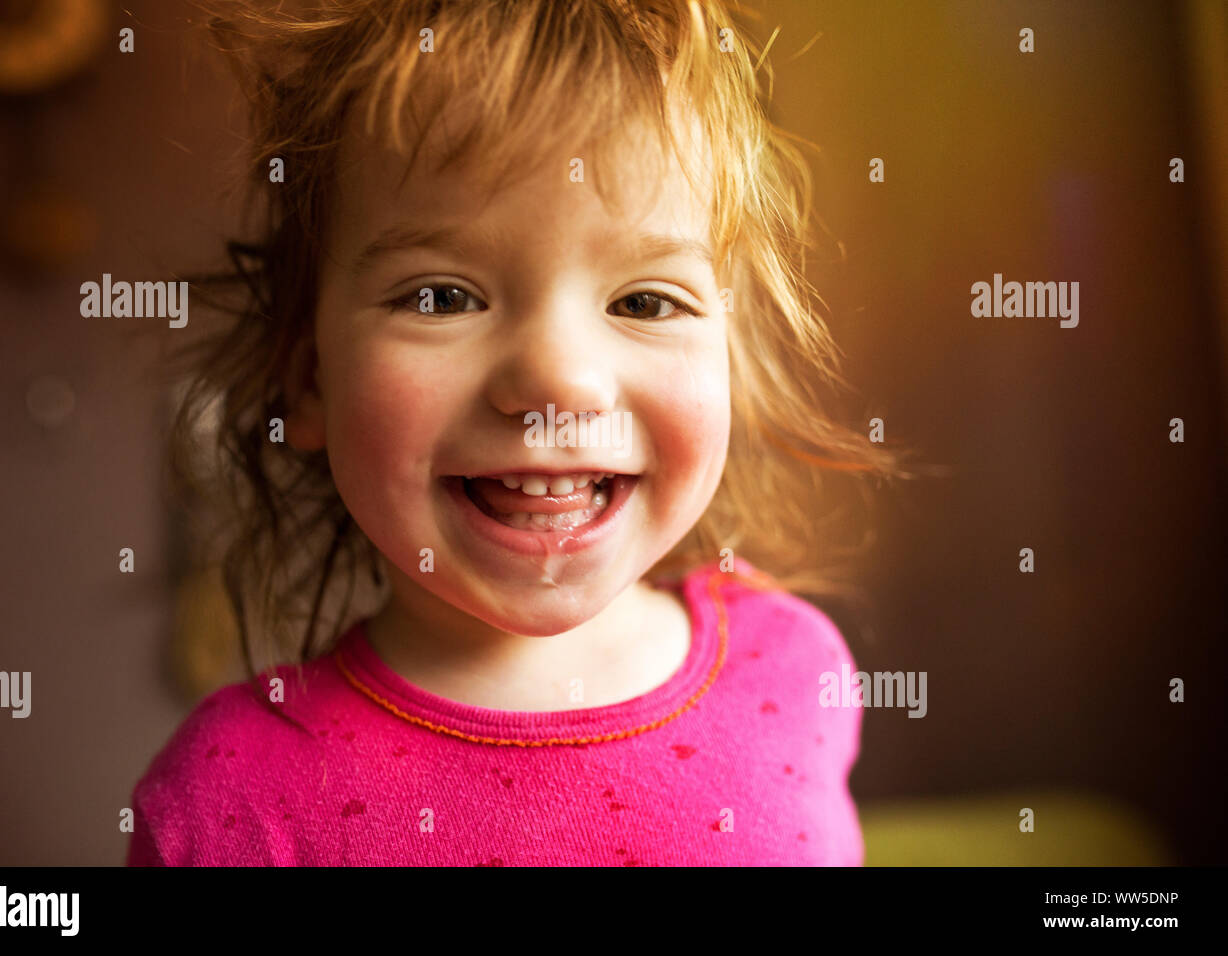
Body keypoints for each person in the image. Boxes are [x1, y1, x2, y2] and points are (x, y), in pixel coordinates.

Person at [129, 0, 904, 866]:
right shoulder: (229, 798)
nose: (558, 380)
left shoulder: (793, 667)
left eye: (644, 301)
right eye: (442, 297)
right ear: (310, 377)